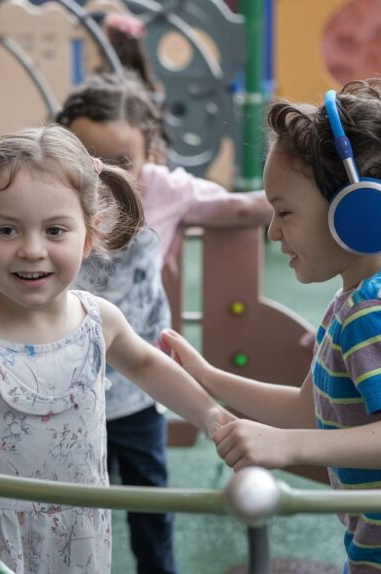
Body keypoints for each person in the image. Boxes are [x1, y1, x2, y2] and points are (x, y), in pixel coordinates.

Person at [0, 125, 228, 573]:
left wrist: (213, 417)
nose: (32, 250)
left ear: (88, 235)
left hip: (76, 531)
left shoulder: (97, 320)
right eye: (7, 230)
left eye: (54, 230)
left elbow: (148, 366)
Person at [163, 79, 381, 573]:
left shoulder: (373, 310)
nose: (273, 231)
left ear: (356, 212)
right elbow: (306, 409)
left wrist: (286, 448)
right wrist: (207, 376)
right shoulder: (367, 295)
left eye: (284, 211)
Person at [56, 73, 271, 574]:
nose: (104, 172)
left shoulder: (164, 189)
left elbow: (237, 205)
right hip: (64, 387)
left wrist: (296, 200)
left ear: (150, 153)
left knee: (149, 499)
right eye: (89, 155)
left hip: (137, 383)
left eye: (122, 160)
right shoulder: (54, 190)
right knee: (72, 503)